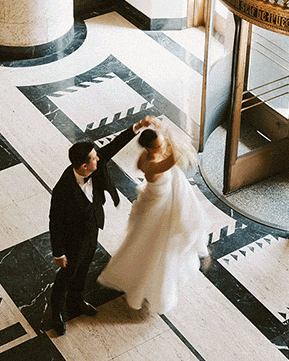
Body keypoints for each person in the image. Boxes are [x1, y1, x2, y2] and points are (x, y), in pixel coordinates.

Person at [98, 116, 209, 316]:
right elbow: (176, 156)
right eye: (159, 145)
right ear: (150, 149)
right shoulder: (152, 165)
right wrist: (170, 133)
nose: (162, 146)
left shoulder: (145, 155)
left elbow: (167, 150)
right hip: (160, 205)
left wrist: (161, 131)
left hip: (158, 197)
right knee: (157, 243)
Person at [48, 119, 146, 336]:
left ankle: (76, 300)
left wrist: (136, 128)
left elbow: (113, 146)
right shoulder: (63, 190)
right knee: (66, 274)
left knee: (83, 269)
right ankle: (56, 311)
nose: (98, 159)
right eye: (94, 158)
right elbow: (55, 222)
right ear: (84, 166)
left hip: (92, 229)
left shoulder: (95, 164)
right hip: (73, 238)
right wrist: (58, 253)